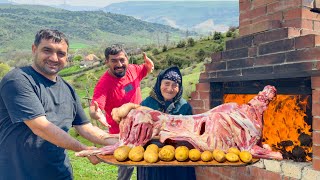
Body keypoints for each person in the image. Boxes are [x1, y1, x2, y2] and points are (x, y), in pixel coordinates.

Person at [0, 29, 117, 180]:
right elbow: (41, 127)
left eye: (61, 53)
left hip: (60, 173)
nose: (54, 58)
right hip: (20, 174)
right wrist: (84, 149)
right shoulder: (18, 80)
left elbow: (85, 128)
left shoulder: (67, 89)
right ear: (34, 49)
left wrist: (119, 142)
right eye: (47, 50)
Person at [89, 44, 154, 180]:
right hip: (122, 135)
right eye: (114, 61)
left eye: (121, 60)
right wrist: (95, 113)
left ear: (127, 59)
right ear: (107, 62)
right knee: (126, 169)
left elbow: (145, 69)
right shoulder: (104, 84)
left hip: (142, 128)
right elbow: (95, 108)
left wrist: (149, 66)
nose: (119, 64)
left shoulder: (133, 70)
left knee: (147, 164)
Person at [137, 66, 196, 180]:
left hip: (177, 159)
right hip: (151, 158)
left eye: (175, 85)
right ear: (159, 84)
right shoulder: (146, 104)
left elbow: (190, 134)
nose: (170, 88)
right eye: (167, 83)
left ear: (179, 88)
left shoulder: (185, 107)